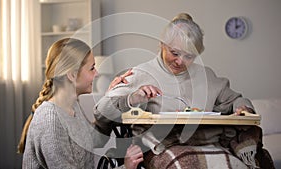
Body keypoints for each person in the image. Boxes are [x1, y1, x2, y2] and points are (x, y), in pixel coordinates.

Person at [93, 13, 274, 169]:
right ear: (162, 45)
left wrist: (244, 109)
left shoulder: (206, 75)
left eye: (189, 56)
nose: (180, 61)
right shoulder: (141, 74)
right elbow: (102, 111)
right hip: (162, 147)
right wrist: (133, 97)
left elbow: (236, 100)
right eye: (174, 52)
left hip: (208, 143)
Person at [17, 38, 143, 169]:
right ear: (72, 75)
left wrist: (109, 100)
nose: (97, 73)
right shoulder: (51, 120)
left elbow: (96, 139)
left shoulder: (72, 107)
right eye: (92, 68)